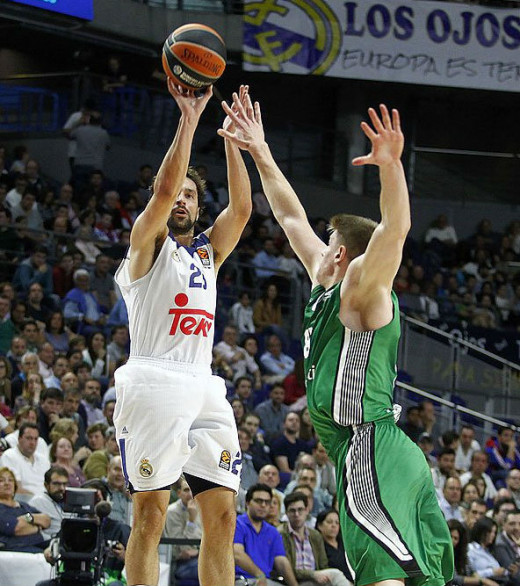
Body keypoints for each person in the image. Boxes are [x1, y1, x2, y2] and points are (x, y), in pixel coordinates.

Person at [220, 95, 453, 586]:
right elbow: (289, 217)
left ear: (343, 253)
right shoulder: (328, 284)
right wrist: (259, 150)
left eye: (327, 243)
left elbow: (397, 228)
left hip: (368, 443)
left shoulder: (360, 289)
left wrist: (391, 167)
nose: (316, 245)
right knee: (401, 572)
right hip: (367, 449)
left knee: (380, 573)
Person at [112, 81, 252, 586]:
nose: (182, 200)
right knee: (150, 516)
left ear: (198, 206)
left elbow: (241, 212)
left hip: (204, 384)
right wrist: (189, 120)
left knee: (222, 518)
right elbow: (165, 189)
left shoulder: (208, 253)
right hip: (153, 378)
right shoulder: (146, 243)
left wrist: (236, 144)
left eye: (192, 195)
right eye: (178, 193)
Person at [233, 483, 299, 586]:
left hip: (266, 582)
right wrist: (259, 574)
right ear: (247, 503)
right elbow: (237, 554)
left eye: (267, 502)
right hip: (240, 580)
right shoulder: (237, 525)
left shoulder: (273, 532)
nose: (263, 505)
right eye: (259, 501)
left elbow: (281, 562)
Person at [0, 466, 50, 552]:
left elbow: (46, 520)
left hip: (40, 543)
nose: (7, 483)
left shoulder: (23, 505)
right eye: (1, 480)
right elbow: (17, 528)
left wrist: (28, 518)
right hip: (17, 548)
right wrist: (37, 527)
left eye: (10, 480)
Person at [163, 476, 202, 583]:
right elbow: (182, 547)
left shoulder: (202, 510)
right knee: (207, 570)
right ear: (179, 493)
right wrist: (191, 520)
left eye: (192, 490)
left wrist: (198, 551)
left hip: (199, 557)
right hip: (178, 563)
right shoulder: (171, 512)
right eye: (186, 490)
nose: (190, 494)